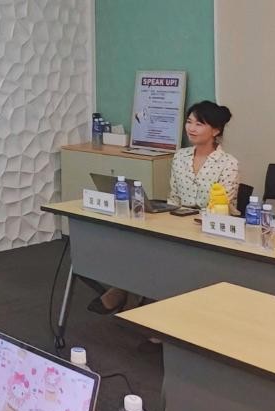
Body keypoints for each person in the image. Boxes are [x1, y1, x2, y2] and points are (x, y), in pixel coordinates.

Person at [88, 101, 239, 314]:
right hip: (179, 222)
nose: (191, 128)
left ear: (215, 130)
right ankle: (128, 290)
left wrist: (186, 224)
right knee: (142, 241)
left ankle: (132, 296)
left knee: (163, 252)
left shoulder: (228, 163)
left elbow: (221, 207)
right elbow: (174, 198)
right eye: (189, 122)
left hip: (212, 229)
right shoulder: (180, 157)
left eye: (199, 124)